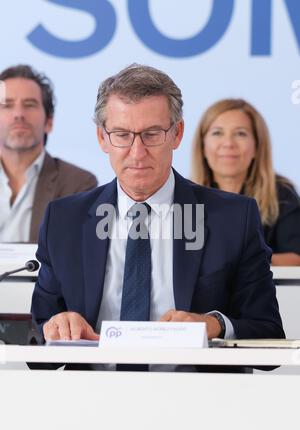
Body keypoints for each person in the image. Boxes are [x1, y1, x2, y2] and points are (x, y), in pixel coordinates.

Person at [31, 65, 284, 372]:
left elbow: (269, 335)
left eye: (152, 134)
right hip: (91, 403)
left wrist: (214, 324)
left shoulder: (233, 218)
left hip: (200, 404)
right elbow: (36, 347)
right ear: (102, 138)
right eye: (122, 135)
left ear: (176, 134)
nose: (137, 153)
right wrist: (55, 327)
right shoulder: (64, 221)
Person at [191, 98, 300, 266]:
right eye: (217, 133)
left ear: (257, 146)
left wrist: (246, 258)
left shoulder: (282, 193)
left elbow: (296, 258)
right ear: (203, 146)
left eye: (240, 133)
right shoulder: (185, 197)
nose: (228, 144)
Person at [0, 64, 98, 243]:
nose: (18, 114)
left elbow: (74, 259)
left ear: (49, 122)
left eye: (29, 105)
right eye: (7, 105)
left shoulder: (78, 186)